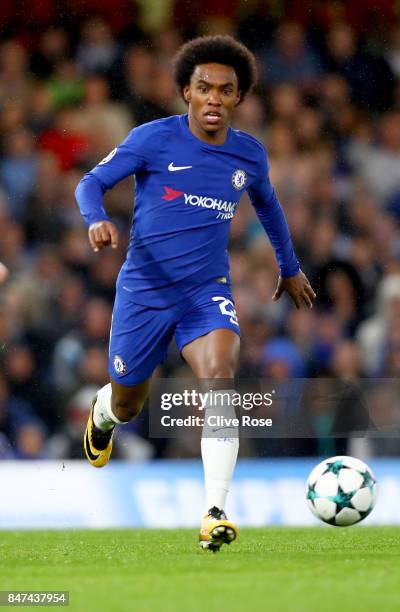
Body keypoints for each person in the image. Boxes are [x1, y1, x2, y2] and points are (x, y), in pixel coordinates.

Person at [75, 35, 316, 551]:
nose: (213, 98)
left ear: (238, 99)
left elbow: (269, 207)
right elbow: (88, 185)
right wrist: (96, 219)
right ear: (186, 90)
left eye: (225, 91)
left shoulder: (249, 154)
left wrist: (289, 267)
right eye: (203, 87)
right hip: (144, 291)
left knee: (220, 379)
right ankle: (104, 412)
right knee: (129, 403)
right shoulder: (151, 139)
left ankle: (214, 512)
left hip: (206, 291)